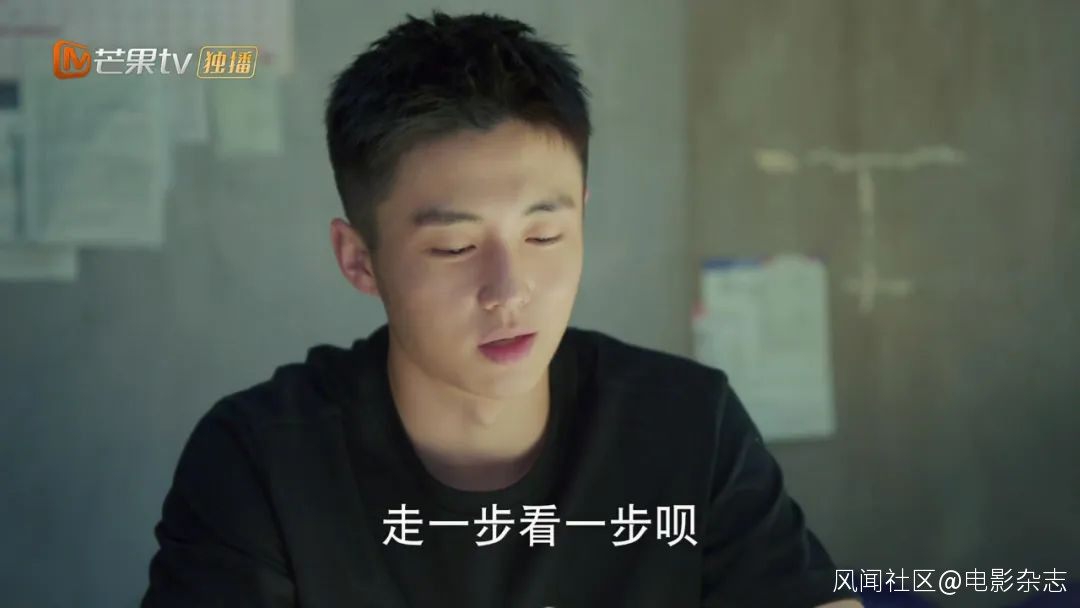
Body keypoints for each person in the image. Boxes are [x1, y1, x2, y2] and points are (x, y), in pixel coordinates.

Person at [141, 10, 862, 608]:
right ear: (359, 259)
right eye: (455, 247)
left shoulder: (684, 426)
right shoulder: (264, 462)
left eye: (543, 236)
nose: (509, 290)